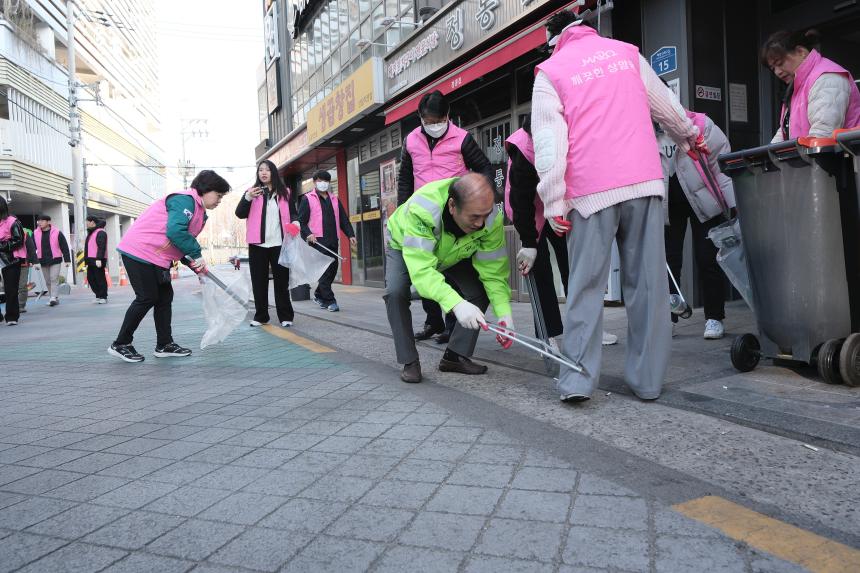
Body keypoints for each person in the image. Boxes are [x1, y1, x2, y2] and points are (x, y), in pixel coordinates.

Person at [532, 9, 701, 403]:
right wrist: (691, 137)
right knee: (648, 285)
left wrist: (554, 198)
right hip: (643, 182)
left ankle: (576, 381)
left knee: (586, 286)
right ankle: (647, 381)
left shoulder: (551, 72)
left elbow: (549, 144)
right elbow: (668, 107)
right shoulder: (627, 54)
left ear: (553, 39)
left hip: (591, 192)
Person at [384, 173, 514, 383]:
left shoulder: (491, 218)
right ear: (452, 206)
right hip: (405, 245)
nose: (481, 224)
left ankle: (455, 356)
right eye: (474, 217)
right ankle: (410, 360)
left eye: (485, 215)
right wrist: (456, 304)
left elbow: (493, 269)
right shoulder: (423, 209)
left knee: (479, 290)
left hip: (453, 251)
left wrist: (504, 313)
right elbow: (423, 272)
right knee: (395, 292)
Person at [506, 116, 618, 347]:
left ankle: (588, 327)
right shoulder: (523, 151)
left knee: (574, 265)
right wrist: (529, 243)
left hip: (560, 204)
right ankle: (548, 335)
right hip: (529, 210)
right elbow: (521, 202)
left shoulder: (568, 135)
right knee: (540, 268)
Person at [398, 90, 495, 344]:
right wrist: (403, 210)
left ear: (447, 116)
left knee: (451, 274)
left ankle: (452, 325)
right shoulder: (410, 141)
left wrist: (478, 195)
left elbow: (484, 166)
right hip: (423, 217)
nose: (433, 126)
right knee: (425, 272)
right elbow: (405, 178)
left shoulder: (462, 139)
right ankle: (433, 321)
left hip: (453, 215)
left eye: (438, 121)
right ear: (420, 118)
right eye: (428, 122)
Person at [108, 170, 231, 363]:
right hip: (139, 251)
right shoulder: (185, 200)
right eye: (219, 195)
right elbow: (175, 231)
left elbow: (182, 245)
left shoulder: (200, 213)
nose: (219, 200)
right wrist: (197, 255)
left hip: (157, 257)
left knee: (164, 298)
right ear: (206, 190)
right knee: (147, 297)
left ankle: (164, 344)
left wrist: (197, 267)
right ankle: (121, 343)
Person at [658, 110, 736, 340]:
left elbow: (720, 164)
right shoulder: (645, 131)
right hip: (668, 205)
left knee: (708, 258)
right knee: (669, 264)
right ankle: (669, 318)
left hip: (705, 199)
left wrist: (733, 202)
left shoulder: (699, 124)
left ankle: (714, 317)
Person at [761, 28, 860, 142]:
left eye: (780, 63)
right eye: (773, 68)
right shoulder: (799, 85)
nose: (777, 72)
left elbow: (823, 132)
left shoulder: (827, 77)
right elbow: (786, 131)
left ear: (801, 52)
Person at [236, 159, 299, 327]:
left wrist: (296, 222)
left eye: (267, 170)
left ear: (273, 173)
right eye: (260, 170)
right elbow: (240, 213)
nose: (263, 173)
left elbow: (293, 213)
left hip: (280, 243)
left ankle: (286, 316)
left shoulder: (285, 193)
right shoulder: (252, 192)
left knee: (281, 282)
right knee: (259, 282)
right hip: (258, 245)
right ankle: (261, 316)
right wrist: (247, 198)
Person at [297, 170, 356, 312]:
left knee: (332, 269)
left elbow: (343, 218)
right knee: (324, 270)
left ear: (329, 183)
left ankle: (319, 295)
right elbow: (301, 222)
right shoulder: (307, 199)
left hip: (332, 238)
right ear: (315, 182)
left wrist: (350, 234)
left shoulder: (334, 199)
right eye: (320, 181)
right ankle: (330, 300)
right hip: (317, 240)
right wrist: (308, 234)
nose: (323, 183)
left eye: (325, 181)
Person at [33, 214, 71, 306]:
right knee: (47, 280)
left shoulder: (57, 232)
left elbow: (64, 246)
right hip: (42, 259)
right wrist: (34, 261)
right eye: (39, 221)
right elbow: (32, 248)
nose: (40, 223)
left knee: (54, 278)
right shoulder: (35, 233)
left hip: (55, 259)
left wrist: (67, 260)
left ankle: (53, 297)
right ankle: (52, 297)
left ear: (48, 222)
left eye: (42, 221)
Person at [0, 196, 26, 325]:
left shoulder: (12, 222)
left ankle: (11, 316)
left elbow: (19, 240)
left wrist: (2, 245)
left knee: (11, 290)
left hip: (10, 260)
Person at [84, 216, 109, 303]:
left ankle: (103, 296)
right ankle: (98, 295)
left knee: (100, 278)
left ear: (92, 222)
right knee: (91, 278)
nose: (86, 223)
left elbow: (101, 246)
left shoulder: (101, 232)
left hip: (98, 259)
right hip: (91, 259)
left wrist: (99, 259)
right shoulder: (92, 232)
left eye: (87, 221)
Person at [17, 227, 37, 313]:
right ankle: (13, 305)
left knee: (22, 286)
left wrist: (33, 261)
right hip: (8, 264)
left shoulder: (24, 234)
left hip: (23, 264)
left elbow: (31, 248)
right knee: (11, 287)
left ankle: (21, 305)